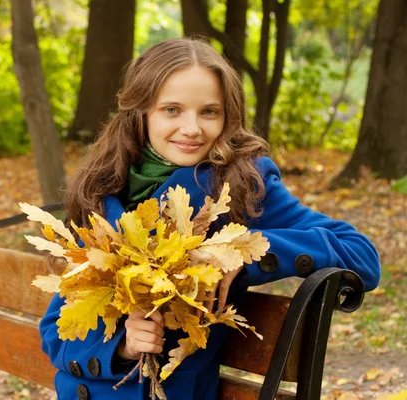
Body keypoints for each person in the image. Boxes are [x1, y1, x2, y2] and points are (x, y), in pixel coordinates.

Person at [39, 37, 380, 400]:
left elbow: (361, 255)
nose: (191, 129)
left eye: (209, 112)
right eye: (172, 109)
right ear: (141, 110)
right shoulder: (102, 185)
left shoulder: (239, 183)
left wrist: (244, 252)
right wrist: (121, 348)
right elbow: (55, 331)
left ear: (227, 116)